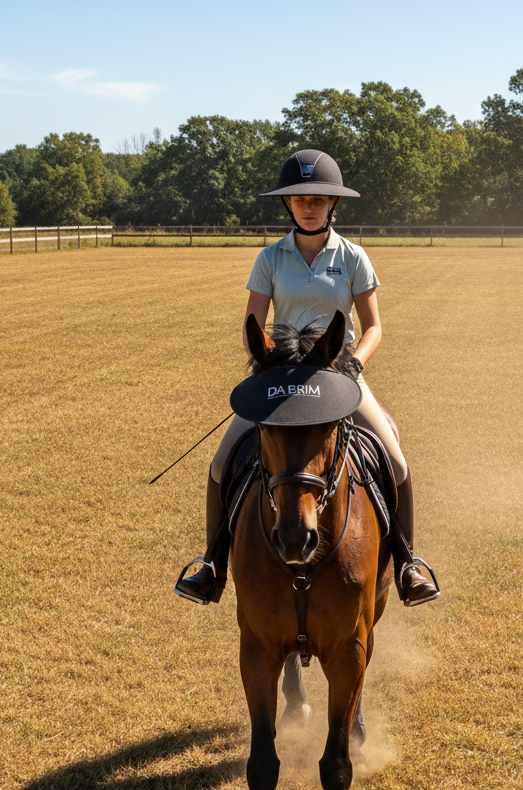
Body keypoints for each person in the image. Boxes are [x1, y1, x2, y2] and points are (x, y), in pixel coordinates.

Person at [175, 149, 439, 607]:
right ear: (288, 204)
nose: (308, 207)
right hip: (281, 379)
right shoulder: (270, 258)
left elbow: (374, 327)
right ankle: (212, 565)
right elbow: (252, 324)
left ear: (332, 203)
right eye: (300, 199)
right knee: (220, 463)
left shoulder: (353, 256)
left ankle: (408, 564)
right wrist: (267, 362)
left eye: (317, 199)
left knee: (395, 462)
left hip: (339, 375)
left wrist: (354, 362)